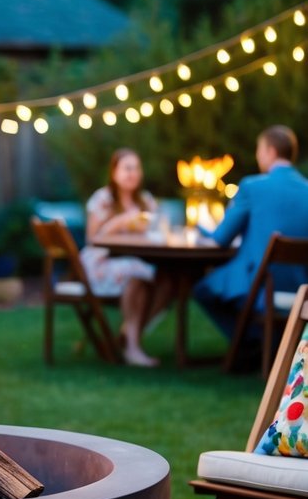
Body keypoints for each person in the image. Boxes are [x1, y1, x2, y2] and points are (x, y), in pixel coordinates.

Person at [193, 125, 308, 343]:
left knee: (203, 289)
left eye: (259, 150)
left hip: (260, 286)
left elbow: (220, 239)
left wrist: (200, 229)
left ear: (270, 151)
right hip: (302, 288)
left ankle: (248, 346)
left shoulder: (252, 186)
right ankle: (271, 345)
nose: (258, 156)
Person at [80, 147, 172, 367]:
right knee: (136, 275)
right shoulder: (103, 199)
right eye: (127, 168)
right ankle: (132, 346)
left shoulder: (145, 201)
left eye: (136, 168)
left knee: (168, 281)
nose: (132, 173)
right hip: (101, 261)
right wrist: (120, 222)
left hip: (136, 260)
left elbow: (157, 231)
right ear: (114, 172)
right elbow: (92, 238)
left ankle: (129, 336)